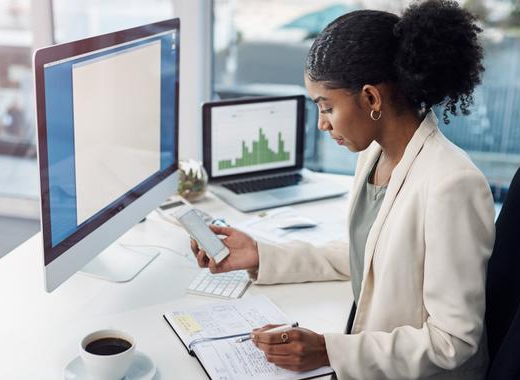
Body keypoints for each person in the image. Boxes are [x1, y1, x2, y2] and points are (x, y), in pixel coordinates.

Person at [190, 1, 494, 378]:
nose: (321, 124)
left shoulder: (452, 184)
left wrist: (330, 351)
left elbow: (454, 341)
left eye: (326, 107)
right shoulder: (376, 156)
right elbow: (365, 255)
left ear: (371, 98)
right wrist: (260, 255)